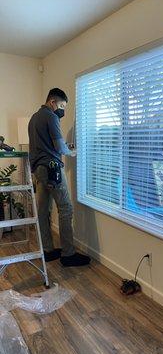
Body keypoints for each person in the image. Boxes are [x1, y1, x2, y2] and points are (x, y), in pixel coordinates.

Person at [28, 88, 90, 266]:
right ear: (52, 102)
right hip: (52, 168)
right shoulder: (51, 116)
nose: (62, 110)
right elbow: (58, 146)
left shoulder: (33, 118)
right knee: (66, 209)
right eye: (62, 105)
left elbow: (38, 146)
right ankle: (68, 255)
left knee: (43, 211)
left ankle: (47, 250)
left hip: (39, 169)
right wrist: (71, 152)